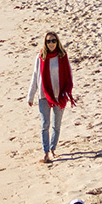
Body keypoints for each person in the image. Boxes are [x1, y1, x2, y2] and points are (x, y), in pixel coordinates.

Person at [24, 31, 75, 163]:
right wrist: (31, 96)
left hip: (59, 95)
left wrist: (66, 92)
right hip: (43, 95)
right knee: (45, 124)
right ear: (45, 43)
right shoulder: (41, 57)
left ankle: (53, 149)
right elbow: (35, 76)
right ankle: (46, 152)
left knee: (56, 125)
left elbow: (69, 75)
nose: (51, 43)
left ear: (57, 42)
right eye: (48, 41)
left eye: (53, 41)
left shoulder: (62, 56)